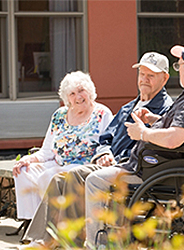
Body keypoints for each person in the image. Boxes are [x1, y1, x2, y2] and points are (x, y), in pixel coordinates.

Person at [84, 38, 184, 248]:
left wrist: (142, 133)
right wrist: (154, 119)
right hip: (178, 165)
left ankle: (96, 245)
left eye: (179, 65)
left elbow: (174, 138)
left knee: (94, 180)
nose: (178, 70)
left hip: (157, 169)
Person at [20, 52, 173, 248]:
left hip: (132, 167)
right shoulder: (128, 107)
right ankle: (45, 239)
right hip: (110, 163)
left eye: (151, 76)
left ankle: (66, 241)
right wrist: (104, 153)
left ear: (165, 78)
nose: (144, 80)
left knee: (72, 176)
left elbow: (156, 144)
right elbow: (105, 138)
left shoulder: (165, 109)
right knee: (59, 179)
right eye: (142, 74)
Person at [13, 71, 113, 224]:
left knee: (49, 176)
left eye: (81, 91)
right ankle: (34, 223)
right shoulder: (59, 115)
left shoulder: (102, 113)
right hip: (58, 163)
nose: (78, 97)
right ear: (67, 98)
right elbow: (46, 151)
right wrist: (29, 159)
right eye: (72, 93)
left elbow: (107, 145)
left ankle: (55, 224)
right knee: (22, 171)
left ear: (90, 91)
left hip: (81, 168)